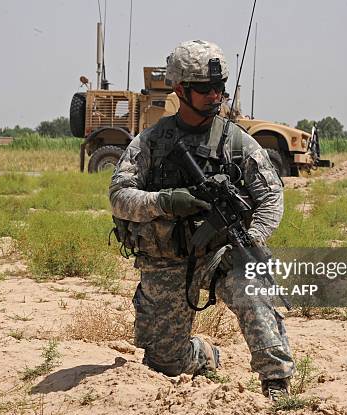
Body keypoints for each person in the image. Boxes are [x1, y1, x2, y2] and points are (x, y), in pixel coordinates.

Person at [109, 40, 294, 400]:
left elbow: (271, 196)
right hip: (166, 260)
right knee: (165, 362)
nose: (215, 96)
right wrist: (164, 202)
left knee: (252, 288)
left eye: (220, 88)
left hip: (221, 252)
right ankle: (205, 355)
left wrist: (253, 236)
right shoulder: (151, 142)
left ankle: (276, 382)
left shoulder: (236, 142)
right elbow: (119, 196)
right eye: (205, 89)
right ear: (181, 90)